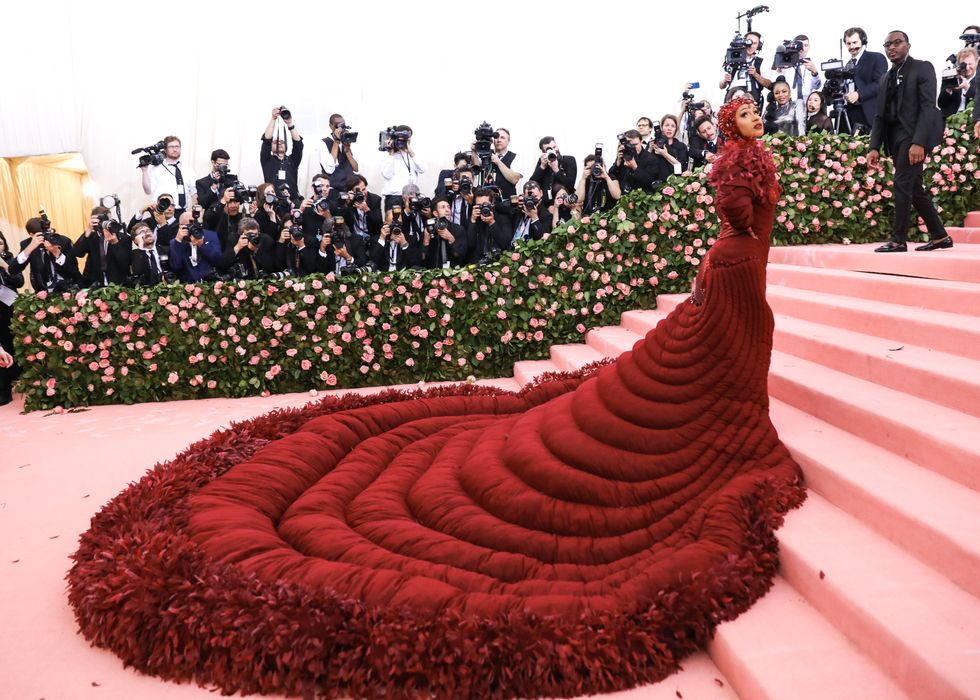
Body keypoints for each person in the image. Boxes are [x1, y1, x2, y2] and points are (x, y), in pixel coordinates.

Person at [173, 94, 804, 700]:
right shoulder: (733, 167)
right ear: (731, 124)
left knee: (740, 339)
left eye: (757, 110)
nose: (756, 117)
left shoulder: (748, 160)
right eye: (746, 112)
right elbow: (738, 215)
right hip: (734, 262)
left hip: (737, 263)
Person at [868, 31, 950, 253]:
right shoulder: (885, 77)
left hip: (913, 135)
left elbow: (928, 107)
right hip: (894, 138)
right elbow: (879, 115)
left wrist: (919, 142)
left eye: (897, 42)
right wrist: (874, 147)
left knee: (902, 184)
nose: (892, 47)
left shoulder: (922, 68)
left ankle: (898, 240)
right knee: (914, 187)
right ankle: (940, 236)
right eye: (887, 44)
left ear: (908, 45)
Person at [10, 217, 81, 293]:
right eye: (42, 235)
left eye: (48, 232)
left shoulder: (63, 241)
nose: (46, 237)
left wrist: (57, 253)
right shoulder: (28, 244)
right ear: (31, 235)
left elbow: (74, 271)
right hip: (43, 291)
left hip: (69, 289)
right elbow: (13, 270)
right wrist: (29, 249)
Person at [72, 206, 133, 287]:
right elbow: (77, 253)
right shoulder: (91, 236)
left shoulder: (124, 238)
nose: (107, 223)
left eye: (109, 220)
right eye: (103, 221)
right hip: (93, 283)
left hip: (118, 283)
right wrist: (88, 231)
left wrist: (115, 243)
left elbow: (126, 263)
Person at [843, 27, 888, 134]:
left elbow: (880, 83)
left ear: (863, 41)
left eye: (854, 42)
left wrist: (859, 94)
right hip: (851, 116)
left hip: (871, 115)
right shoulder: (847, 65)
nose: (851, 46)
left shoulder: (876, 57)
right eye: (848, 43)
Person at [0, 230, 25, 405]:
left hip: (9, 306)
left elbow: (19, 281)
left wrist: (4, 265)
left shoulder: (9, 259)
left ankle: (13, 378)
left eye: (0, 243)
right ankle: (3, 389)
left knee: (10, 342)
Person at [140, 135, 198, 210]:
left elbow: (194, 192)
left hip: (181, 212)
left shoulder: (188, 169)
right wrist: (144, 171)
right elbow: (148, 191)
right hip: (161, 211)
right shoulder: (156, 168)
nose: (175, 149)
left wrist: (194, 212)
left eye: (177, 146)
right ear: (165, 149)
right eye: (171, 147)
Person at [260, 107, 304, 196]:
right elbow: (267, 140)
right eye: (276, 142)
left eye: (282, 142)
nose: (279, 143)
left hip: (292, 199)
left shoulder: (292, 160)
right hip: (273, 199)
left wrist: (290, 124)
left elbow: (298, 144)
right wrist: (273, 118)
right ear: (271, 146)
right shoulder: (267, 160)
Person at [380, 124, 424, 209]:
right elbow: (387, 174)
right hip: (394, 197)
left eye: (407, 139)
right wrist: (391, 153)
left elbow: (423, 169)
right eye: (401, 139)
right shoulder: (387, 155)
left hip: (412, 196)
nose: (403, 142)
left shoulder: (412, 154)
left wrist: (410, 152)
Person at [316, 114, 361, 192]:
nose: (341, 128)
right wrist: (336, 141)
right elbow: (329, 170)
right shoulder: (323, 143)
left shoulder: (347, 139)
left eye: (343, 125)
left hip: (350, 188)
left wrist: (347, 150)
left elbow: (356, 169)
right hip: (334, 189)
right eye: (338, 125)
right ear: (331, 126)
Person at [530, 137, 577, 202]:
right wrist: (542, 167)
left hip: (565, 202)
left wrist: (556, 170)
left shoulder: (569, 160)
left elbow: (570, 185)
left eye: (554, 147)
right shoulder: (543, 162)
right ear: (544, 152)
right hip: (546, 203)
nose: (554, 151)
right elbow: (532, 183)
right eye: (549, 150)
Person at [777, 35, 822, 101]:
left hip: (806, 103)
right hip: (788, 103)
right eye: (800, 45)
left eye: (805, 45)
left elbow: (817, 87)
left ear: (809, 47)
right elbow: (775, 85)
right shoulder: (785, 63)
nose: (802, 48)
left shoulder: (812, 64)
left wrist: (814, 72)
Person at [938, 47, 978, 118]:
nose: (967, 68)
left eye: (970, 64)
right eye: (964, 65)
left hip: (971, 119)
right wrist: (948, 90)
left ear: (976, 62)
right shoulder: (952, 75)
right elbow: (941, 104)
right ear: (958, 64)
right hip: (949, 119)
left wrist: (967, 87)